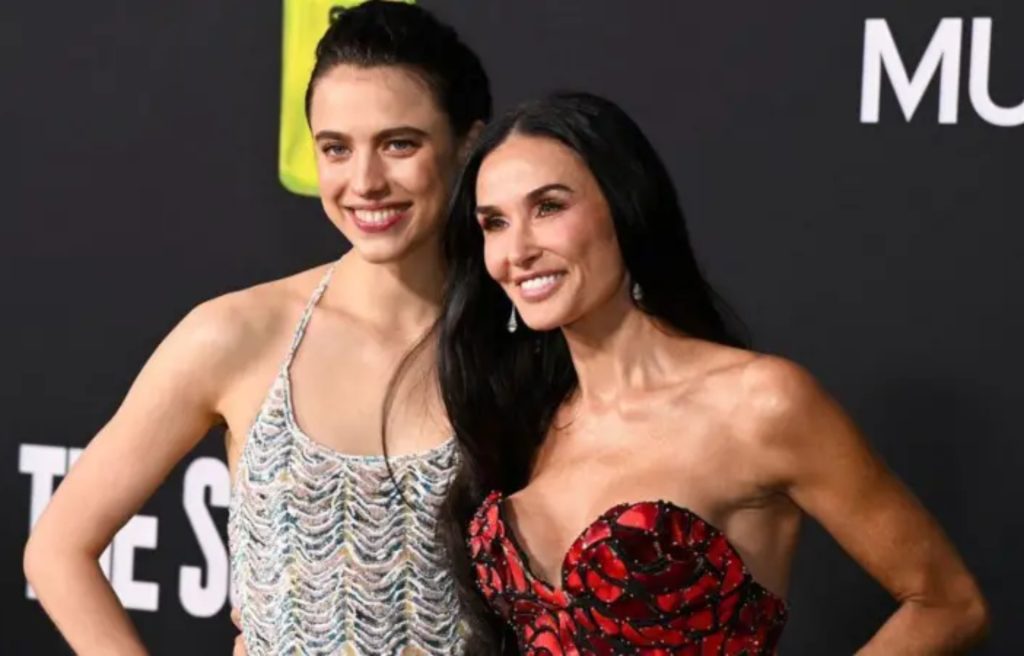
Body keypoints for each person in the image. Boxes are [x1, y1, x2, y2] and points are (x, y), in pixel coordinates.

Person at [437, 92, 989, 654]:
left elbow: (947, 603)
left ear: (626, 208)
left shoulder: (761, 403)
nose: (518, 250)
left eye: (549, 207)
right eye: (494, 223)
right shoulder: (523, 413)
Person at [23, 3, 491, 654]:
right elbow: (57, 549)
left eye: (399, 143)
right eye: (336, 148)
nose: (365, 182)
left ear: (468, 143)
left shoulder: (525, 342)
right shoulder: (238, 335)